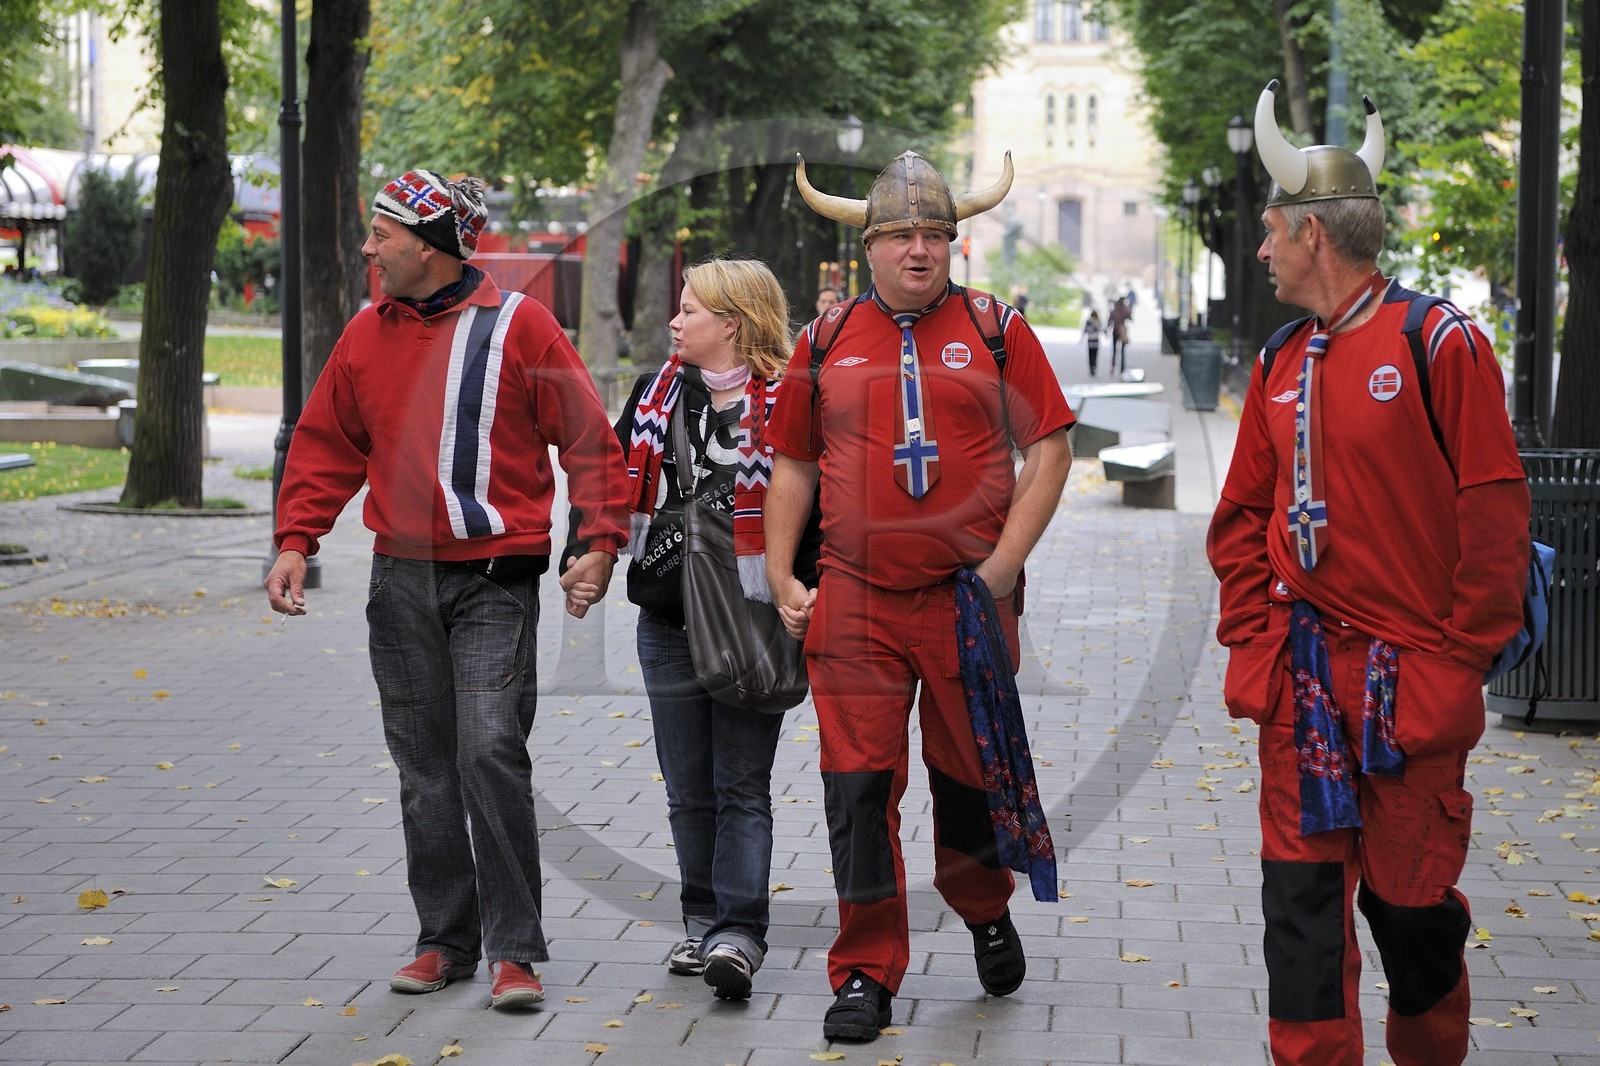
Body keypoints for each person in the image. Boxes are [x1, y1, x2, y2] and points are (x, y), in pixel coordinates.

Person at [1208, 83, 1531, 1066]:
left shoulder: (1438, 343)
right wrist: (1256, 647)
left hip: (1411, 688)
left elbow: (1492, 509)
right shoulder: (1275, 360)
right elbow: (1239, 521)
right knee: (1298, 909)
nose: (1259, 251)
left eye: (1270, 231)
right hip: (1300, 687)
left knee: (1409, 906)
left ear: (1312, 234)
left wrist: (1458, 660)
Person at [264, 168, 630, 1012]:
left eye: (382, 233)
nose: (369, 247)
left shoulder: (521, 328)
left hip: (495, 581)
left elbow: (587, 441)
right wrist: (295, 540)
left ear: (428, 247)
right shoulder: (367, 334)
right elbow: (325, 443)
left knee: (488, 752)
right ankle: (445, 940)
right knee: (424, 766)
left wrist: (600, 540)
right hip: (400, 583)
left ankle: (515, 951)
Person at [768, 150, 1074, 1043]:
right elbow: (791, 461)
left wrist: (1001, 571)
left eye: (935, 234)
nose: (919, 250)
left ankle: (982, 907)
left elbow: (1049, 449)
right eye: (901, 235)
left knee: (966, 781)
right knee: (858, 789)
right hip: (854, 603)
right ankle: (866, 968)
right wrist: (784, 575)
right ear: (867, 247)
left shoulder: (994, 330)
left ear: (954, 244)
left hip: (965, 602)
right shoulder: (822, 340)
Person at [565, 258, 822, 1003]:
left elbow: (820, 505)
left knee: (741, 784)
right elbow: (608, 481)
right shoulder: (652, 396)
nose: (674, 322)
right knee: (687, 789)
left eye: (689, 310)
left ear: (733, 323)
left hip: (752, 621)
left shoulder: (793, 405)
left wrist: (808, 586)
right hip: (668, 620)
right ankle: (701, 919)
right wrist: (590, 553)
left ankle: (740, 933)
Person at [1107, 295, 1131, 376]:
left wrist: (1107, 330)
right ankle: (1122, 368)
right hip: (1122, 332)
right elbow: (1130, 317)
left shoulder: (1114, 309)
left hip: (1115, 332)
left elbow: (1109, 320)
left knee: (1114, 351)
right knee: (1122, 352)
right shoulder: (1124, 310)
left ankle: (1113, 367)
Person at [1081, 308, 1104, 377]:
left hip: (1091, 339)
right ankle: (1093, 367)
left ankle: (1092, 367)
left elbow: (1086, 330)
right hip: (1094, 340)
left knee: (1092, 355)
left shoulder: (1090, 321)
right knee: (1093, 355)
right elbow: (1100, 330)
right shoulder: (1095, 321)